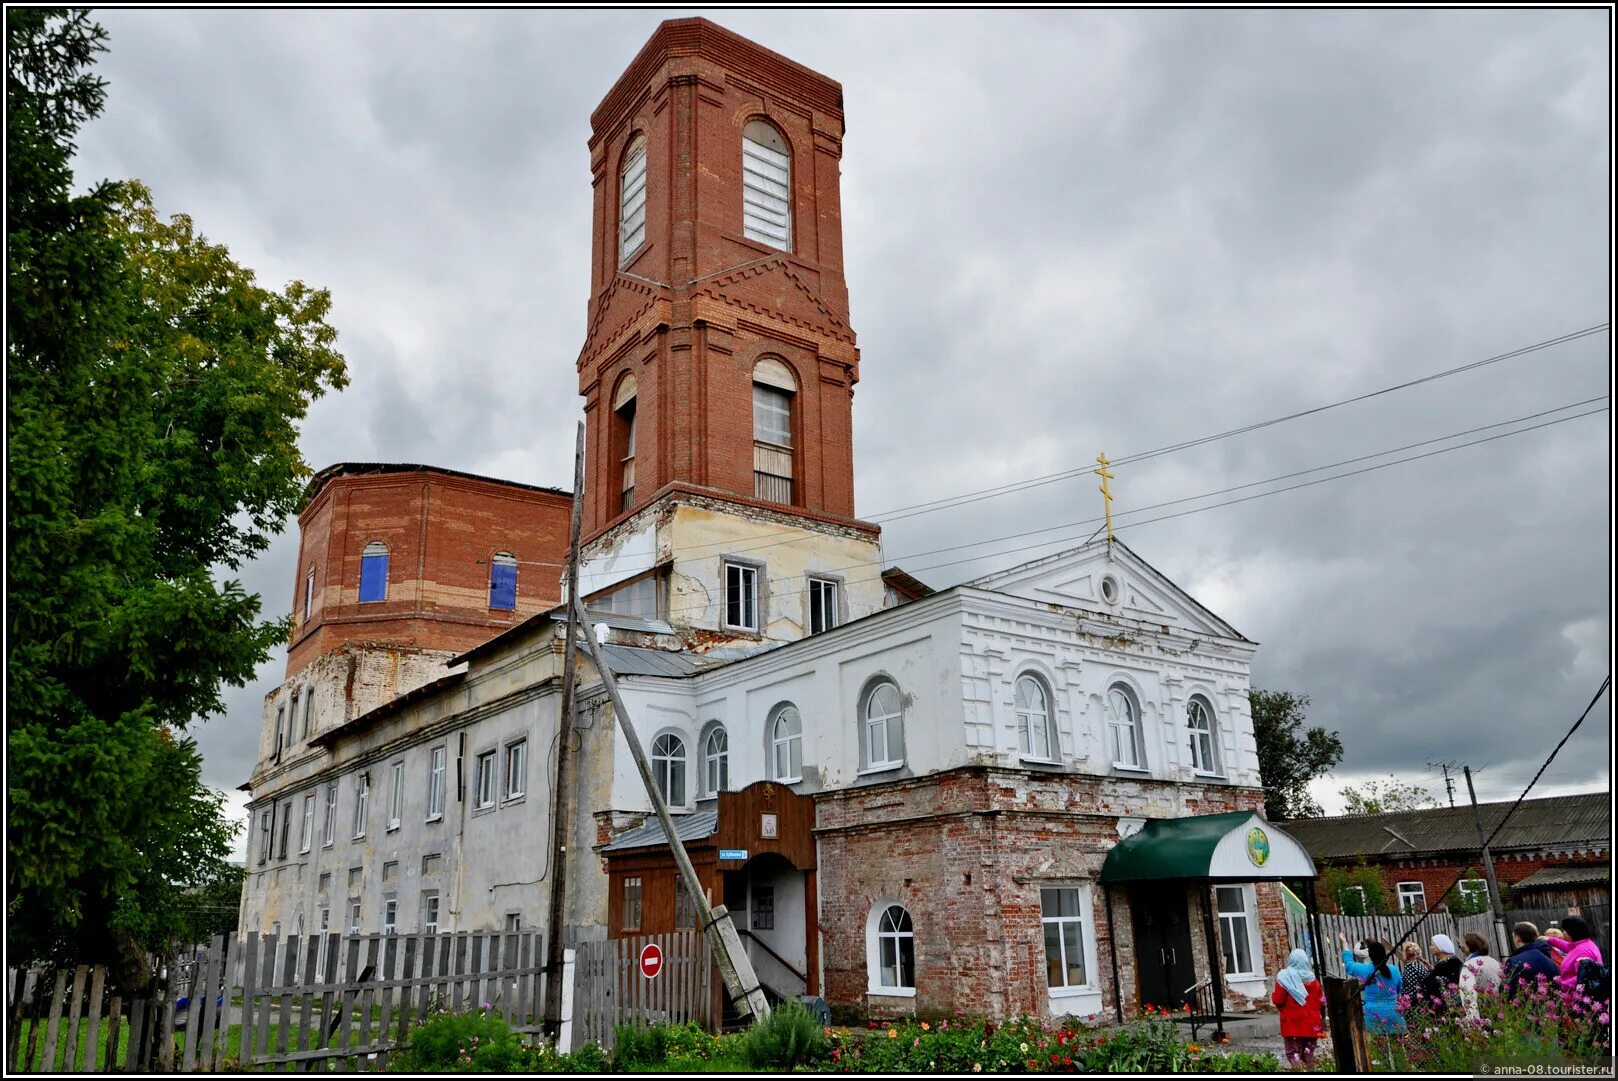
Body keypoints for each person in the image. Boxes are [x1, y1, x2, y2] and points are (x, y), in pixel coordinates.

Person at [1339, 932, 1404, 1034]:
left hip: (1373, 1015)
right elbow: (1399, 988)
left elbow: (1349, 965)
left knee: (1377, 1047)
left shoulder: (1365, 969)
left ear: (1369, 955)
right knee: (1398, 1047)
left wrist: (1344, 943)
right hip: (1394, 1014)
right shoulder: (1394, 970)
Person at [1271, 948, 1325, 1070]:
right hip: (1312, 1023)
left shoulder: (1284, 978)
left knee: (1293, 1055)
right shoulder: (1314, 980)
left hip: (1293, 1024)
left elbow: (1278, 1000)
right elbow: (1321, 1001)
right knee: (1308, 1054)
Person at [1503, 921, 1560, 995]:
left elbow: (1509, 991)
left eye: (1513, 937)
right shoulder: (1550, 960)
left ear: (1517, 938)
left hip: (1525, 1004)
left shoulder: (1514, 961)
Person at [1459, 931, 1502, 1021]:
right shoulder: (1495, 962)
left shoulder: (1469, 966)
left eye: (1464, 944)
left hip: (1482, 1017)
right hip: (1499, 1015)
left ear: (1469, 946)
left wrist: (1474, 1027)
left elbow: (1468, 996)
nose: (1461, 946)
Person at [1554, 915, 1604, 993]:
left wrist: (1561, 984)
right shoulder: (1582, 944)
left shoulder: (1584, 952)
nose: (1563, 933)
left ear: (1572, 932)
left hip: (1578, 996)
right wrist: (1550, 940)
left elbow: (1582, 978)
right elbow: (1568, 947)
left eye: (1565, 930)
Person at [1420, 933, 1464, 1010]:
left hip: (1446, 1010)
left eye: (1432, 945)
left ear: (1440, 946)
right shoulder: (1449, 962)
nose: (1430, 947)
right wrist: (1431, 969)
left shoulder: (1449, 964)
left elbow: (1443, 983)